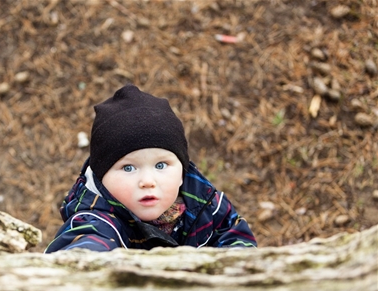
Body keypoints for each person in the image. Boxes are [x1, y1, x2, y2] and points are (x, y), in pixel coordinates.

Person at [45, 84, 256, 252]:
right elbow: (85, 247)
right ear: (102, 178)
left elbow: (237, 241)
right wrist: (86, 262)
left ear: (182, 172)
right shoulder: (97, 220)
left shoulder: (207, 206)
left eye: (161, 165)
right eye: (128, 168)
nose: (147, 181)